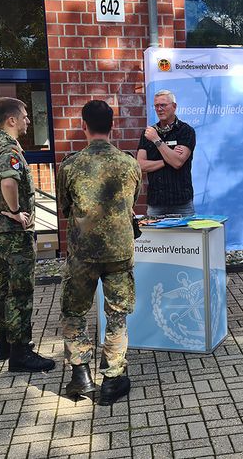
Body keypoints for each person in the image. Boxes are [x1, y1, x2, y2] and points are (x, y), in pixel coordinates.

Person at [57, 100, 141, 405]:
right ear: (113, 126)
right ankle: (112, 380)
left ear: (83, 126)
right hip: (118, 252)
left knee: (75, 311)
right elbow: (132, 202)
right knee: (116, 315)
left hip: (82, 253)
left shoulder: (70, 165)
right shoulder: (130, 163)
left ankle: (80, 376)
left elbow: (65, 207)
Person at [0, 97, 55, 372]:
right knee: (20, 289)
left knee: (3, 285)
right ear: (12, 120)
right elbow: (8, 181)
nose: (28, 121)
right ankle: (21, 352)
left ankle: (3, 344)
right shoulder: (7, 147)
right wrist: (15, 210)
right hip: (12, 230)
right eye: (25, 116)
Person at [137, 90, 196, 217]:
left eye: (163, 105)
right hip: (156, 202)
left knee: (187, 237)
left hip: (181, 202)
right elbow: (140, 165)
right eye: (156, 106)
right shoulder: (147, 133)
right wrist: (166, 160)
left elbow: (177, 162)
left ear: (174, 106)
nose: (159, 109)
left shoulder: (185, 131)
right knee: (156, 238)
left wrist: (156, 140)